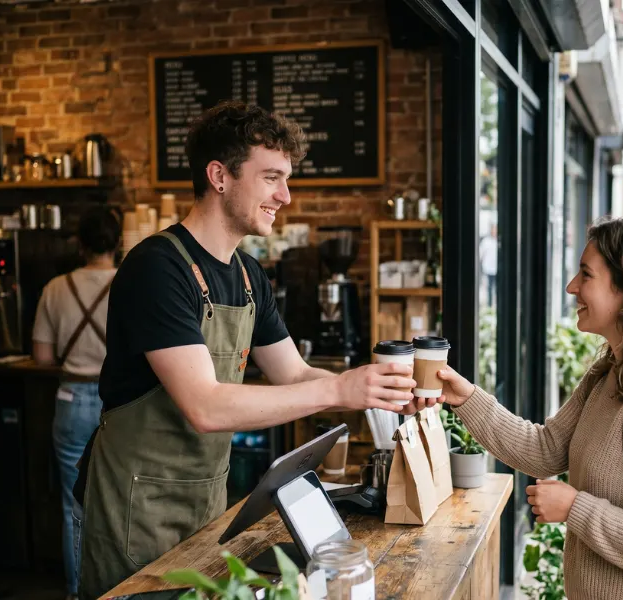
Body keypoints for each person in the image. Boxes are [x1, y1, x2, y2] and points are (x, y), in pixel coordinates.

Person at [75, 101, 423, 600]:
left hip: (205, 499)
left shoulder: (248, 274)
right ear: (219, 176)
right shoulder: (157, 267)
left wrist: (374, 390)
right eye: (271, 178)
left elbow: (293, 374)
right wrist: (339, 387)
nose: (285, 195)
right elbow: (205, 406)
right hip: (134, 506)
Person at [437, 217, 623, 600]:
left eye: (585, 275)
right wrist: (465, 397)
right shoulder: (612, 372)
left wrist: (576, 508)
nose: (572, 287)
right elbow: (544, 450)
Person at [32, 206, 120, 600]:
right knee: (119, 502)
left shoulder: (55, 288)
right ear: (118, 243)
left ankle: (75, 593)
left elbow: (42, 358)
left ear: (79, 244)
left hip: (69, 400)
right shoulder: (132, 282)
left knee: (74, 506)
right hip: (116, 403)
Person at [479, 224, 498, 308]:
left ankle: (497, 304)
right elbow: (480, 254)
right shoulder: (486, 241)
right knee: (490, 287)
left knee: (497, 288)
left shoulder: (498, 241)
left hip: (498, 268)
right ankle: (490, 305)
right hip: (489, 268)